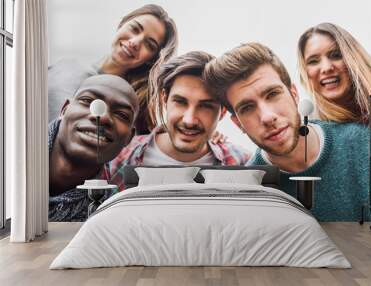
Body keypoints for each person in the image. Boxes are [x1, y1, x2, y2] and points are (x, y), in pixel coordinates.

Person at [203, 42, 371, 221]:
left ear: (294, 94)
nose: (267, 117)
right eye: (247, 107)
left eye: (272, 94)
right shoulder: (249, 194)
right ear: (238, 124)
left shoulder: (369, 144)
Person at [109, 51, 250, 190]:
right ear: (164, 99)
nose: (189, 120)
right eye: (181, 102)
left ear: (222, 112)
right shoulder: (119, 156)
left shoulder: (243, 163)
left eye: (205, 106)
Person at [297, 23, 371, 188]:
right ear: (305, 72)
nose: (326, 68)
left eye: (336, 55)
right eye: (313, 61)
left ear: (352, 58)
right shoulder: (316, 133)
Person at [48, 4, 178, 135]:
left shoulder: (130, 109)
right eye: (134, 28)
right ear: (122, 24)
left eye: (149, 44)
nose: (135, 42)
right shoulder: (66, 67)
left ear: (151, 59)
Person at [49, 74, 139, 221]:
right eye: (87, 101)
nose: (101, 117)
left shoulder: (112, 214)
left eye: (121, 115)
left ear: (129, 138)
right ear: (64, 110)